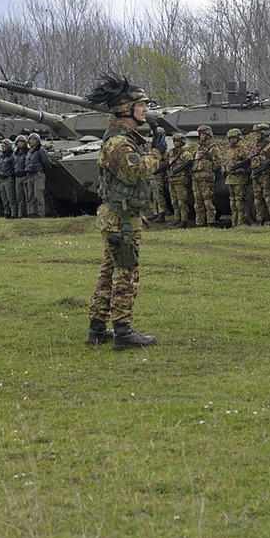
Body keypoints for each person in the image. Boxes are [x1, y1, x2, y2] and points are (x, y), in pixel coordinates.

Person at [84, 71, 164, 349]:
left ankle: (97, 328)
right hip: (121, 219)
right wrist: (156, 154)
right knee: (125, 273)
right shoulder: (120, 142)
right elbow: (134, 173)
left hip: (120, 214)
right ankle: (123, 331)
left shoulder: (125, 138)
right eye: (141, 105)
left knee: (109, 271)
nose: (145, 110)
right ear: (126, 109)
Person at [190, 124, 223, 227]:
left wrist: (209, 171)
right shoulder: (198, 148)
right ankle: (199, 222)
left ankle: (211, 221)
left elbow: (217, 164)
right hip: (196, 179)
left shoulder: (213, 148)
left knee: (208, 202)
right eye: (200, 134)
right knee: (198, 203)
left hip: (207, 179)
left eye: (203, 134)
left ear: (208, 135)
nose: (201, 136)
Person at [221, 128, 251, 226]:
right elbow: (224, 162)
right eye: (230, 138)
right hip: (230, 179)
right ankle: (234, 223)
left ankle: (241, 222)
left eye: (234, 138)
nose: (232, 140)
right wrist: (224, 169)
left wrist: (239, 169)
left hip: (239, 179)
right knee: (232, 202)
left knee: (240, 202)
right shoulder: (228, 150)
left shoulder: (243, 149)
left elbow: (248, 163)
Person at [249, 124, 270, 225]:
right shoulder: (254, 145)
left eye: (259, 133)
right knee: (257, 198)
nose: (257, 135)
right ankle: (259, 219)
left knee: (268, 197)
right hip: (255, 174)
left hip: (265, 174)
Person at [166, 133, 193, 228]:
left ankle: (184, 220)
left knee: (182, 201)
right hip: (172, 180)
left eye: (177, 141)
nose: (175, 143)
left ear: (182, 142)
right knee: (174, 201)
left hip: (181, 180)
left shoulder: (186, 154)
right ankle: (177, 218)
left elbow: (189, 166)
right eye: (174, 141)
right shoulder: (170, 153)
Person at [24, 133, 52, 217]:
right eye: (30, 139)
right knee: (31, 196)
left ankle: (40, 214)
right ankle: (33, 213)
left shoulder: (40, 151)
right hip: (30, 175)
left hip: (38, 174)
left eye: (34, 139)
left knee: (38, 195)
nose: (31, 141)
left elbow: (46, 163)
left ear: (37, 141)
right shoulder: (29, 152)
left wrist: (43, 172)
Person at [0, 140, 17, 219]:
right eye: (2, 146)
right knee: (4, 199)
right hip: (2, 179)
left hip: (8, 178)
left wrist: (11, 175)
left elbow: (14, 167)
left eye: (4, 146)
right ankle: (6, 213)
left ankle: (13, 213)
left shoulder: (11, 157)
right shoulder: (2, 157)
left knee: (11, 198)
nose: (2, 147)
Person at [12, 135, 29, 217]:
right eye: (19, 142)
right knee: (19, 197)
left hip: (25, 176)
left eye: (22, 142)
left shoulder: (28, 153)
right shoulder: (16, 154)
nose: (20, 144)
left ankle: (29, 213)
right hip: (18, 177)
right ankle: (20, 214)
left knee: (28, 197)